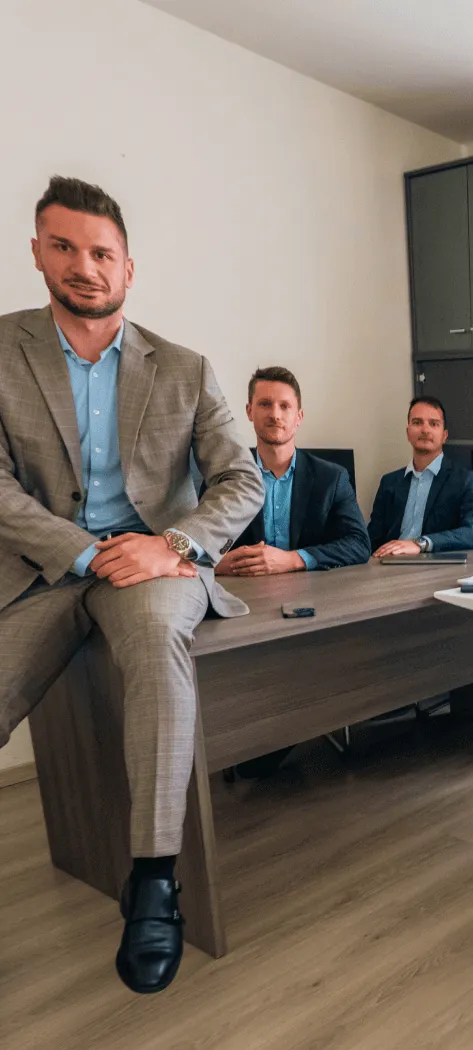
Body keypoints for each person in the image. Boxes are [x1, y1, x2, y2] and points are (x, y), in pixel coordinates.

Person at [0, 176, 262, 992]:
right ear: (38, 252)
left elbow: (242, 480)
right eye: (65, 247)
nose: (85, 266)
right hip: (46, 569)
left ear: (128, 267)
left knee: (154, 645)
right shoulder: (2, 349)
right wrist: (84, 553)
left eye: (102, 253)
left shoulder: (184, 368)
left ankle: (153, 880)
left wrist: (171, 543)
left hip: (158, 565)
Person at [217, 365, 369, 577]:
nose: (275, 414)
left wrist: (293, 559)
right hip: (241, 590)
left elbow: (359, 544)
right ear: (249, 411)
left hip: (313, 591)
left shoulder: (332, 478)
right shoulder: (224, 475)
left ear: (299, 417)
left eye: (285, 406)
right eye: (265, 404)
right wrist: (218, 564)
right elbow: (196, 546)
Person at [367, 396, 473, 555]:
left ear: (444, 435)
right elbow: (371, 539)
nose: (425, 430)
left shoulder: (465, 480)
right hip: (388, 562)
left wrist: (421, 543)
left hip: (437, 564)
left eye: (434, 424)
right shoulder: (389, 482)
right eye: (417, 422)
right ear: (408, 433)